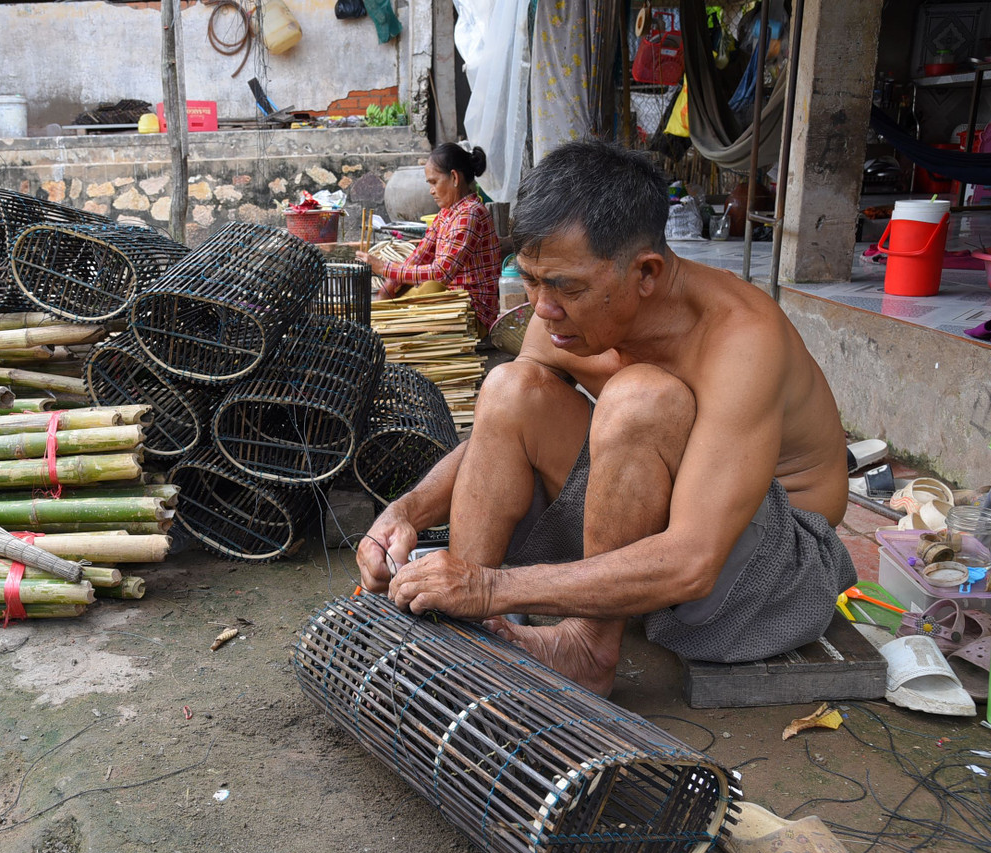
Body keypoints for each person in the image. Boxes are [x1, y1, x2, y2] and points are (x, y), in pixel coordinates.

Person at [355, 140, 857, 697]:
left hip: (769, 573)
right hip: (669, 532)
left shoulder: (740, 340)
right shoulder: (562, 307)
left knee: (638, 398)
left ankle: (589, 648)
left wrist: (491, 587)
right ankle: (463, 630)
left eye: (566, 287)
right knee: (510, 385)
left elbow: (692, 562)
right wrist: (405, 513)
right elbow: (503, 426)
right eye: (532, 279)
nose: (543, 308)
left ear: (646, 273)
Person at [356, 142, 502, 329]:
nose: (431, 190)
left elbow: (441, 273)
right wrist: (390, 285)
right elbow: (420, 256)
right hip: (451, 303)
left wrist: (384, 268)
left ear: (455, 178)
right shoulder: (446, 213)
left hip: (471, 313)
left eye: (434, 182)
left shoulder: (470, 213)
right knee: (403, 290)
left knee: (430, 288)